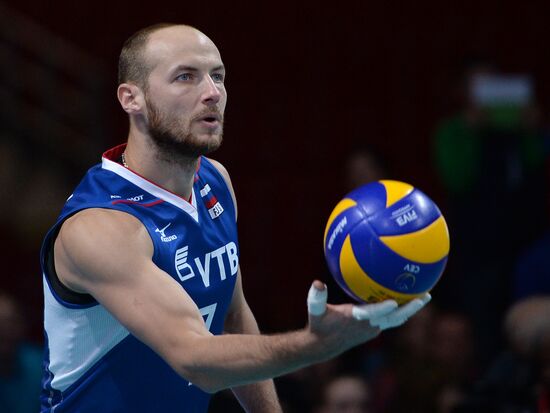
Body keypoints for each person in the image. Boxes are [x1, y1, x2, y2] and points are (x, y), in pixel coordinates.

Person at [39, 23, 430, 413]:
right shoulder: (100, 227)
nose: (212, 93)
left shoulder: (215, 180)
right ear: (131, 98)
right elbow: (194, 357)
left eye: (218, 77)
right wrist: (315, 345)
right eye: (185, 77)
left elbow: (233, 314)